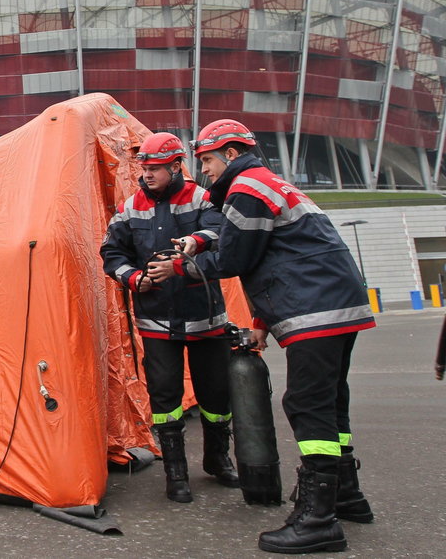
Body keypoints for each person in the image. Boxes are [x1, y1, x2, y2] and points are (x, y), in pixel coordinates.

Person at [147, 119, 375, 554]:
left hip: (314, 309)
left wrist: (179, 266)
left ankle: (318, 520)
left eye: (209, 160)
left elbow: (237, 258)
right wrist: (261, 325)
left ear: (231, 154)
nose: (206, 170)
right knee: (331, 404)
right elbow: (275, 258)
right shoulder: (268, 183)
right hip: (335, 304)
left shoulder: (247, 187)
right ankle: (346, 495)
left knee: (307, 405)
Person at [100, 132, 237, 503]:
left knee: (216, 395)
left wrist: (181, 264)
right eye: (144, 168)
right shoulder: (131, 208)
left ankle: (217, 459)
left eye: (156, 169)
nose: (147, 175)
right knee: (165, 400)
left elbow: (223, 237)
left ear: (176, 166)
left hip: (207, 320)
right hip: (157, 321)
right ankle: (175, 473)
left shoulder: (202, 199)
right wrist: (132, 278)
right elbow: (111, 253)